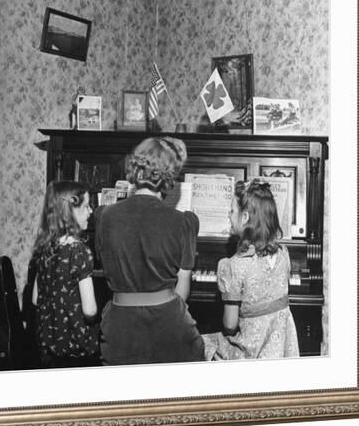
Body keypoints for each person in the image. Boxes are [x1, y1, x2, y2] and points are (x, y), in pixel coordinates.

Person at [94, 137, 205, 365]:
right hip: (170, 328)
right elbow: (182, 294)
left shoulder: (103, 216)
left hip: (120, 330)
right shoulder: (184, 222)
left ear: (135, 168)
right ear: (168, 176)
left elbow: (105, 267)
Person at [204, 179, 299, 360]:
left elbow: (230, 325)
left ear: (245, 217)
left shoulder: (233, 265)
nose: (228, 216)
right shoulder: (284, 254)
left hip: (250, 353)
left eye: (232, 211)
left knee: (203, 343)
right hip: (282, 352)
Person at [29, 181, 100, 368]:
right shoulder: (79, 250)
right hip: (76, 349)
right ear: (69, 212)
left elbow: (36, 299)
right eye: (86, 206)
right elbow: (90, 310)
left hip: (47, 346)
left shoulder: (43, 248)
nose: (91, 211)